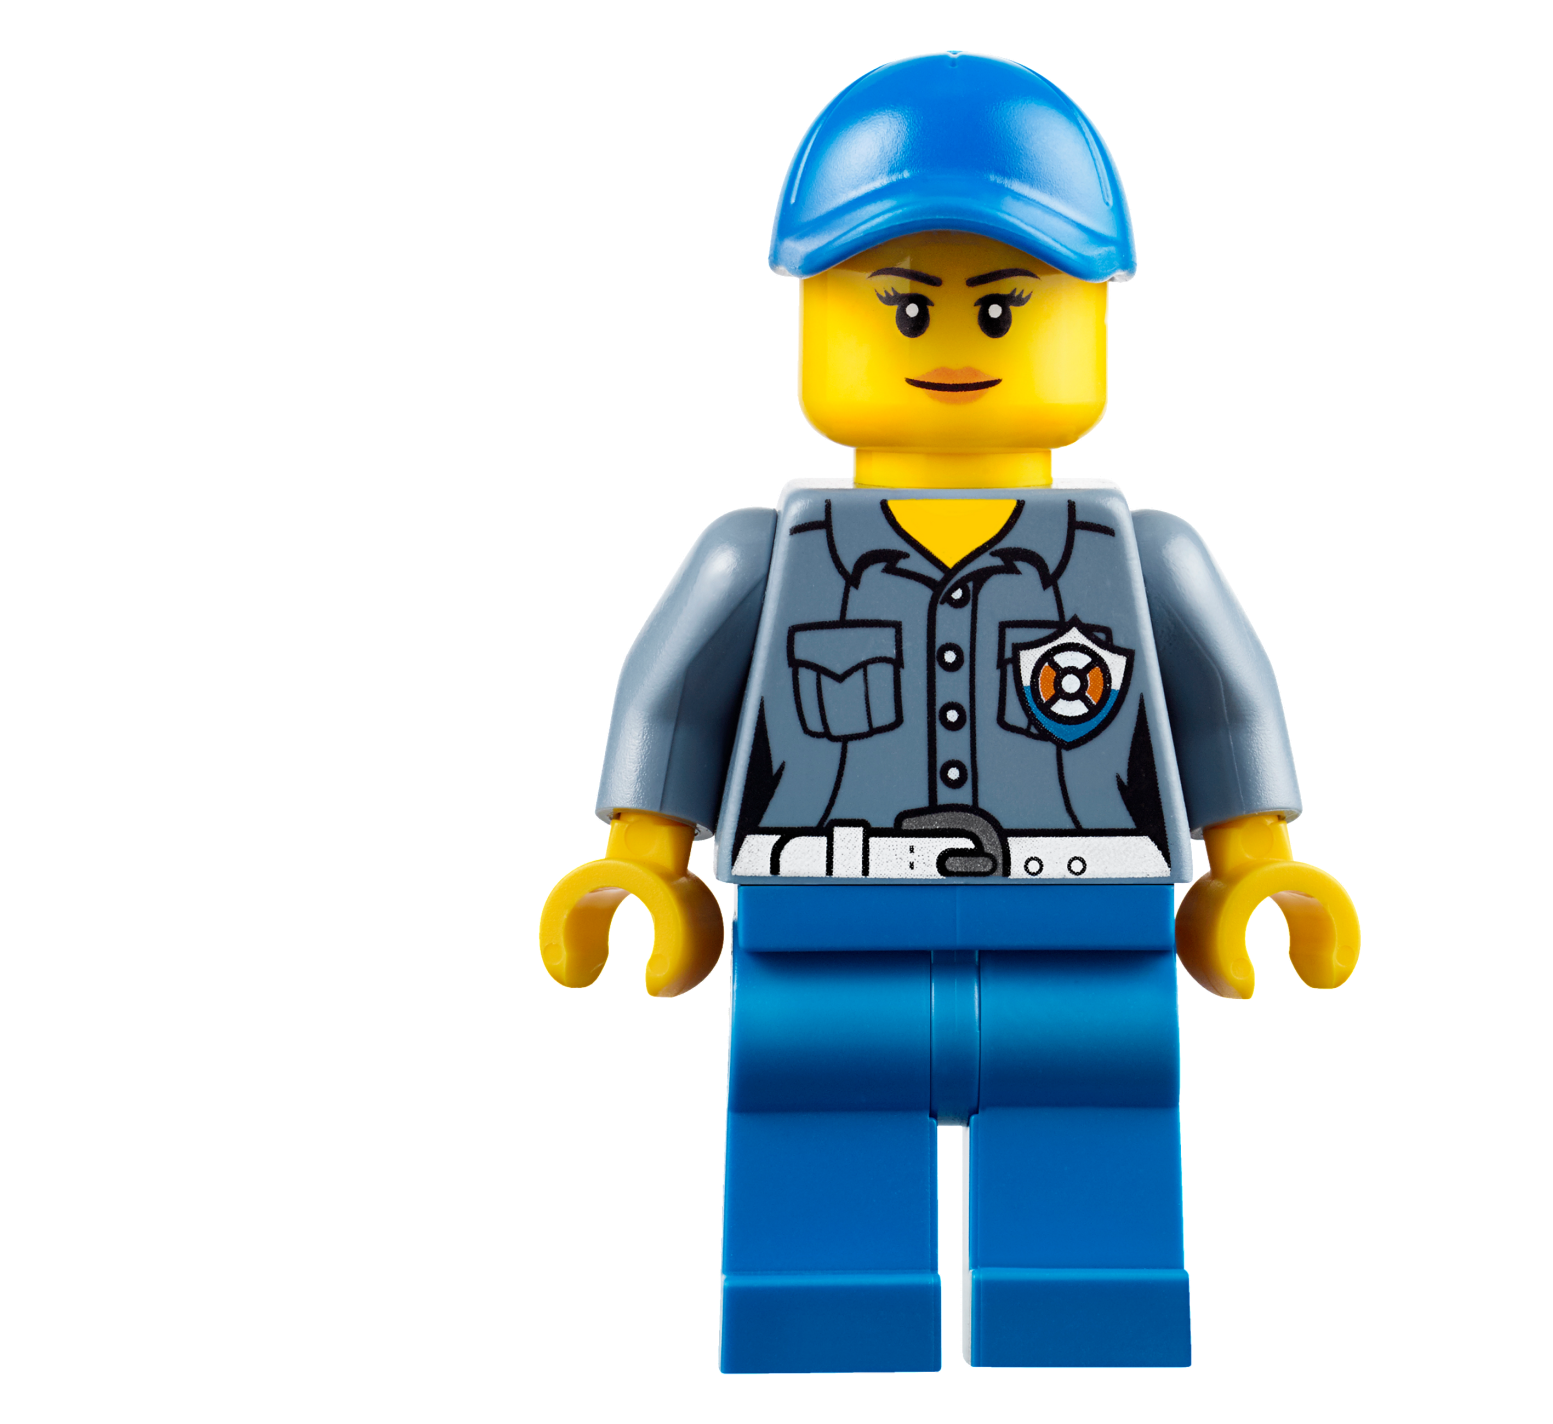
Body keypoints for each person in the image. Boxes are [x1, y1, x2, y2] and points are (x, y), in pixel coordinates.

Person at [539, 52, 1358, 1373]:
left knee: (1097, 1175)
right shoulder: (763, 556)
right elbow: (674, 699)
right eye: (907, 309)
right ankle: (822, 1320)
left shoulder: (1143, 560)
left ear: (1090, 316)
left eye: (1007, 307)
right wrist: (647, 864)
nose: (958, 346)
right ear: (818, 313)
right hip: (821, 942)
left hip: (1086, 941)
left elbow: (1221, 711)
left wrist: (1251, 868)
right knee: (812, 1169)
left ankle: (1085, 1318)